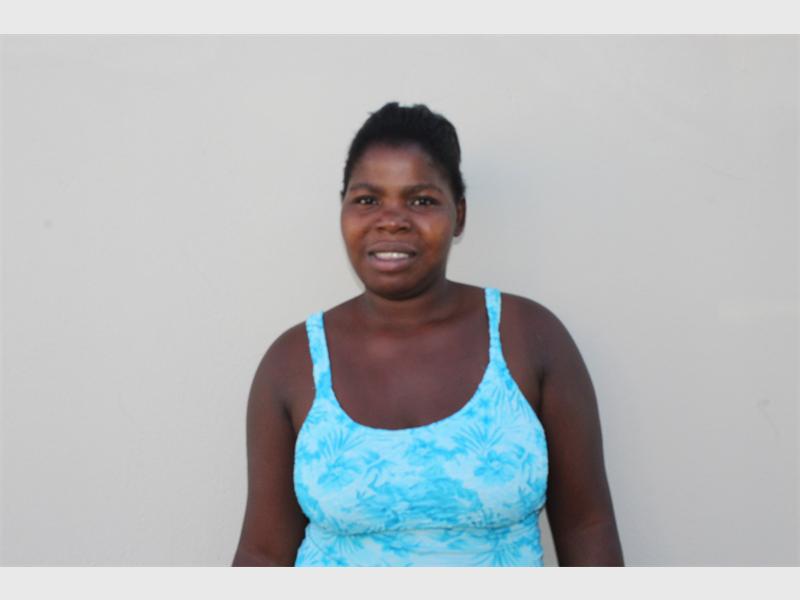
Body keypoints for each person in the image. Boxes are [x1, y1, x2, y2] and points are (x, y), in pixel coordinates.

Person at [232, 102, 623, 567]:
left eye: (421, 200)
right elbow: (262, 554)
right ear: (343, 210)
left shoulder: (530, 337)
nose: (392, 219)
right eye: (367, 200)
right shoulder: (293, 361)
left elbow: (587, 526)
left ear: (459, 214)